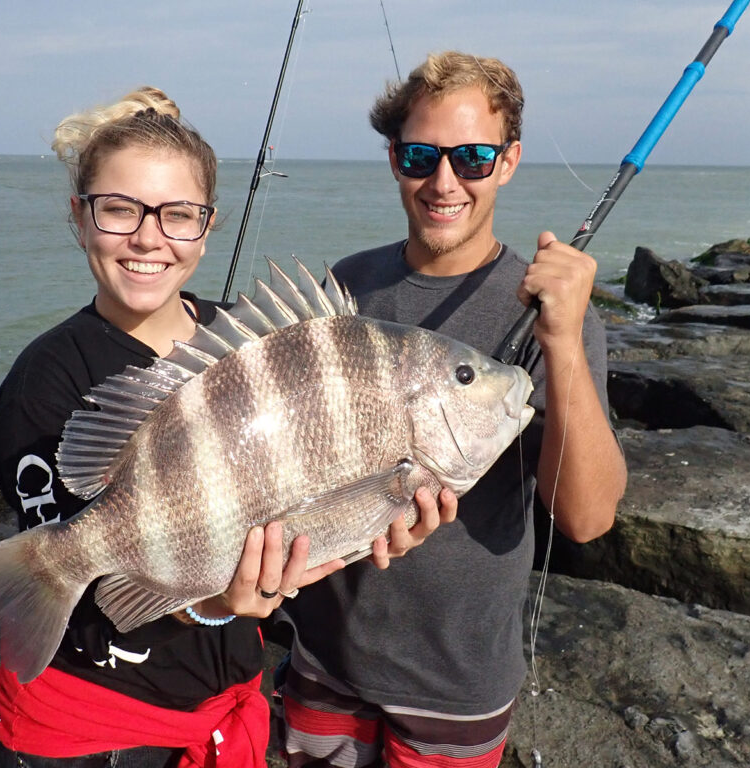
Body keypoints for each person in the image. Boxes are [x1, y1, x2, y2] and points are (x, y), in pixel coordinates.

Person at [0, 85, 455, 768]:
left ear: (207, 227)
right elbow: (83, 612)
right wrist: (210, 605)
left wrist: (376, 520)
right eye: (119, 210)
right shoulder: (43, 386)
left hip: (227, 712)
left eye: (178, 215)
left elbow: (310, 495)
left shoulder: (252, 342)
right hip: (91, 729)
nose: (149, 238)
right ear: (79, 217)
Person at [279, 51, 628, 767]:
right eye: (420, 156)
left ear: (508, 161)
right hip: (322, 656)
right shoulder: (347, 287)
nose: (444, 182)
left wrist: (562, 339)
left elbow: (587, 518)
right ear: (394, 159)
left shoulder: (552, 311)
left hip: (457, 680)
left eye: (472, 158)